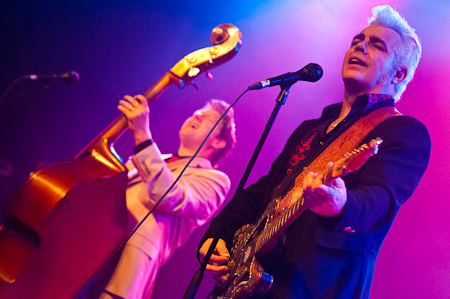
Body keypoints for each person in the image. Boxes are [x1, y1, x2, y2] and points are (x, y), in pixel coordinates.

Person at [198, 5, 431, 299]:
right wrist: (217, 235)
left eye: (377, 45)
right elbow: (262, 192)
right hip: (251, 282)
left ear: (399, 73)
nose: (360, 45)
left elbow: (381, 200)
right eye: (357, 40)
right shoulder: (312, 128)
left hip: (314, 285)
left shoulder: (403, 132)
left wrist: (342, 204)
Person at [87, 94, 236, 299]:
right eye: (196, 113)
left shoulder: (214, 180)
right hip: (90, 243)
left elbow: (168, 195)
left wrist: (141, 134)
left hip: (124, 264)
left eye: (206, 119)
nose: (197, 115)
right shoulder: (153, 158)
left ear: (219, 142)